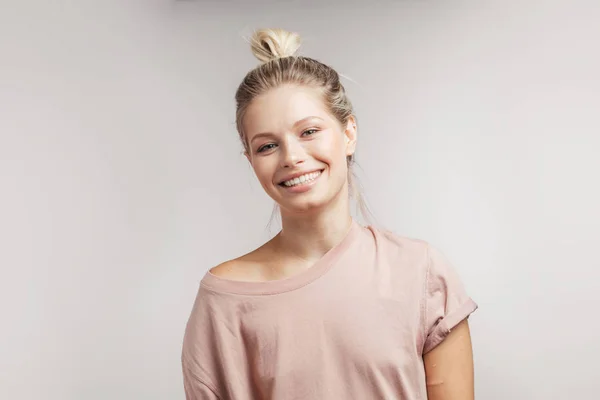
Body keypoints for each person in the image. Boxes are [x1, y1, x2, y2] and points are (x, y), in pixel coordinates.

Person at [181, 28, 478, 400]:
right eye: (268, 145)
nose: (291, 157)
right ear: (251, 161)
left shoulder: (421, 272)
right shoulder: (224, 298)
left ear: (348, 132)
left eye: (309, 131)